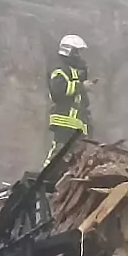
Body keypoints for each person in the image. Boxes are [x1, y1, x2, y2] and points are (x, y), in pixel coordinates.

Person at [44, 34, 95, 165]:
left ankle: (63, 176)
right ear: (68, 50)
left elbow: (79, 98)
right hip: (64, 120)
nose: (78, 55)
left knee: (74, 158)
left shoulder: (72, 70)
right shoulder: (59, 69)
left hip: (75, 122)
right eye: (76, 51)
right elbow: (58, 90)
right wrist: (82, 86)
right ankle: (45, 175)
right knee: (58, 153)